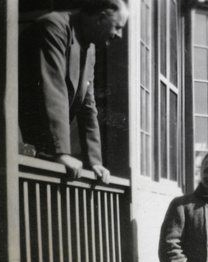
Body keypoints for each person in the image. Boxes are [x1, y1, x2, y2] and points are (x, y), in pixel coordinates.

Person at [19, 0, 129, 183]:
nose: (119, 34)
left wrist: (94, 161)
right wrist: (61, 153)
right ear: (101, 17)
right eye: (117, 27)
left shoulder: (89, 47)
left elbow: (88, 106)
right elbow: (53, 90)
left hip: (41, 147)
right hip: (18, 140)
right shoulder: (53, 27)